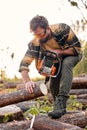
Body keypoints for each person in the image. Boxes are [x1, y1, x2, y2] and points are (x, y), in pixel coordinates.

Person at [19, 15, 82, 118]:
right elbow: (24, 64)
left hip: (72, 54)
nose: (39, 37)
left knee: (67, 64)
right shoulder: (35, 43)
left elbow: (77, 49)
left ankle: (62, 100)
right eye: (36, 35)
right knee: (53, 86)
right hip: (56, 61)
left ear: (47, 28)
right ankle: (59, 109)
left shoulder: (62, 29)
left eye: (41, 34)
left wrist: (59, 51)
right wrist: (27, 81)